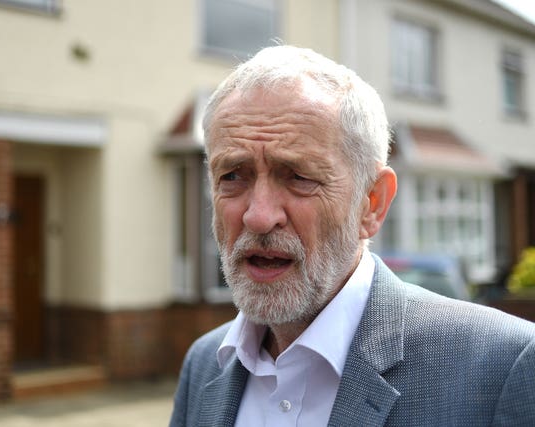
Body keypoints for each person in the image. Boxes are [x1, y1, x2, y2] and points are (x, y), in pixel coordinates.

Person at [169, 45, 535, 427]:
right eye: (232, 176)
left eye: (299, 177)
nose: (259, 216)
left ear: (373, 203)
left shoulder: (502, 366)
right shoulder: (204, 364)